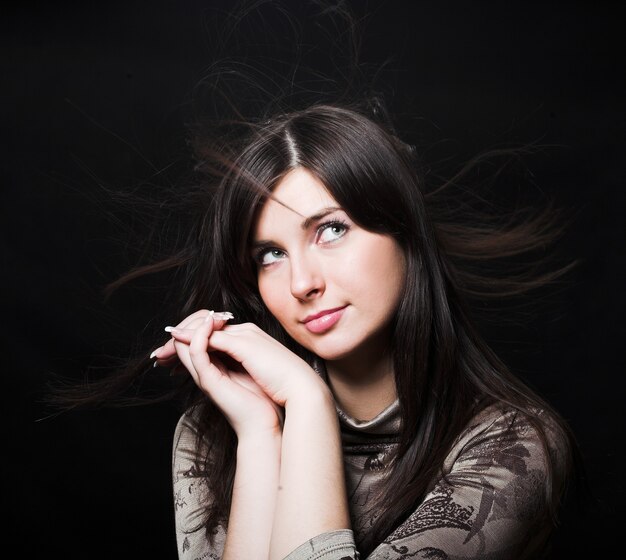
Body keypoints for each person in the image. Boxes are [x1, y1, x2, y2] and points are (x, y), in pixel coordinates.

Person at [51, 101, 581, 559]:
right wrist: (261, 436)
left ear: (405, 231)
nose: (302, 282)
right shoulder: (214, 436)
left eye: (331, 230)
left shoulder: (511, 448)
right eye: (271, 254)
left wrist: (307, 401)